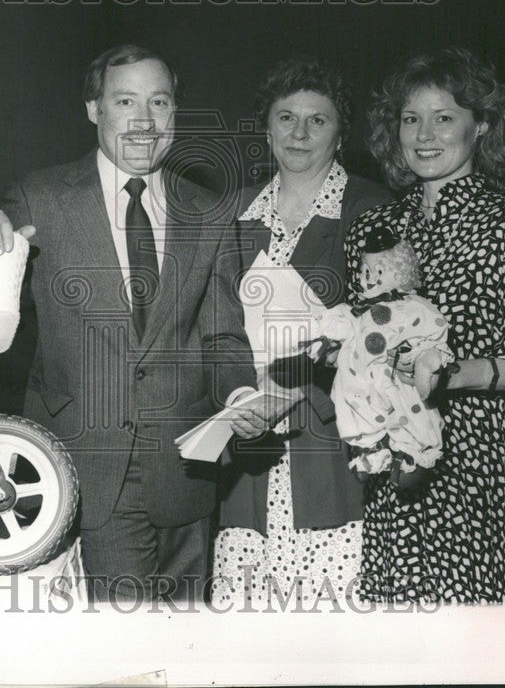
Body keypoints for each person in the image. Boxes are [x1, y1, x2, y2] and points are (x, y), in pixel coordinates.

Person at [0, 44, 270, 602]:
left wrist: (242, 394)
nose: (145, 121)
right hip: (89, 464)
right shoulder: (43, 196)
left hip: (188, 469)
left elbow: (223, 334)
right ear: (94, 109)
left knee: (187, 648)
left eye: (160, 102)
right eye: (125, 101)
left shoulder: (211, 211)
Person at [345, 47, 505, 602]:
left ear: (481, 125)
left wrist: (447, 375)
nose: (424, 134)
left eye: (444, 117)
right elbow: (355, 343)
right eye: (410, 118)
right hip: (398, 462)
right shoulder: (373, 228)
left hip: (481, 463)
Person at [212, 57, 389, 606]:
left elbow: (388, 334)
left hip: (334, 443)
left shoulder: (371, 208)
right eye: (286, 117)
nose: (299, 132)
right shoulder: (234, 213)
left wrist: (311, 369)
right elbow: (215, 327)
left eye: (318, 119)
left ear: (341, 133)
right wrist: (240, 395)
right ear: (266, 128)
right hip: (250, 442)